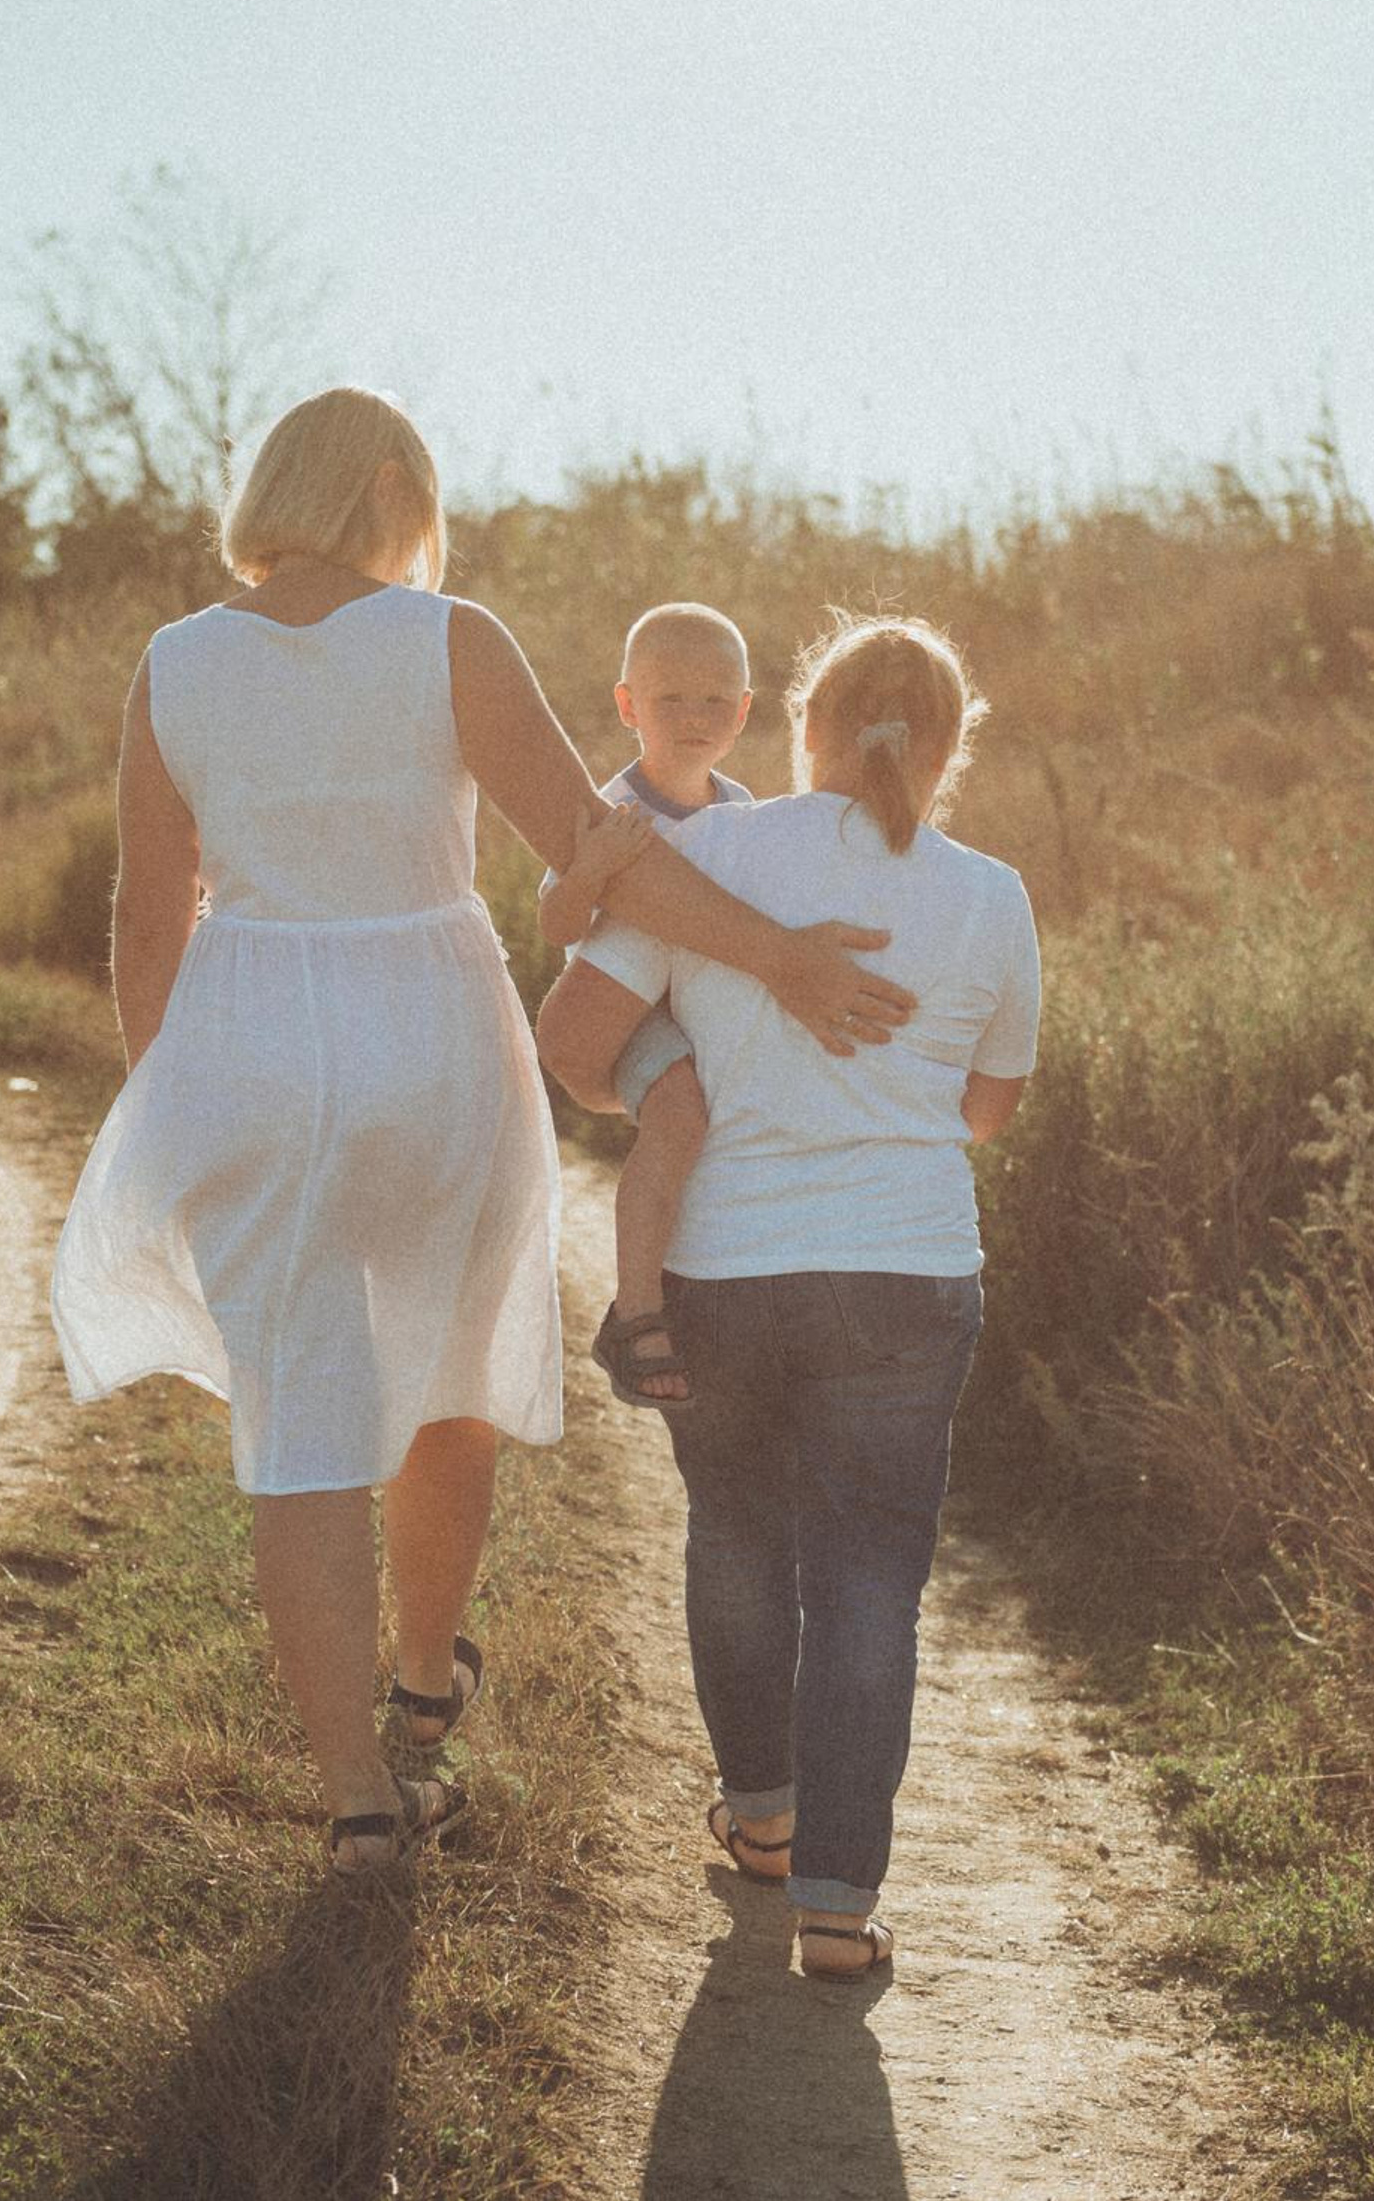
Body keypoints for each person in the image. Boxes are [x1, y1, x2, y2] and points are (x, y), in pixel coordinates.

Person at [48, 387, 916, 1873]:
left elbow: (145, 913)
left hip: (252, 1031)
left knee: (297, 1418)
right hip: (433, 1032)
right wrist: (781, 958)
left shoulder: (174, 663)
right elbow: (600, 853)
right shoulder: (446, 638)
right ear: (390, 487)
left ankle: (355, 1802)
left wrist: (168, 1103)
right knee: (447, 1380)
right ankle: (427, 1691)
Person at [536, 612, 1039, 1974]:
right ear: (948, 750)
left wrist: (695, 1078)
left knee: (740, 1536)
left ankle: (760, 1822)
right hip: (905, 1274)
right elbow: (986, 1111)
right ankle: (836, 1907)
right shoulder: (990, 896)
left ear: (796, 725)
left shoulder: (703, 855)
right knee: (871, 1579)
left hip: (725, 1265)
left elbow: (574, 1044)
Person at [536, 603, 756, 1407]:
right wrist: (591, 869)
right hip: (630, 1014)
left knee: (736, 1117)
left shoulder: (742, 811)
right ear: (628, 706)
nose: (695, 719)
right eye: (671, 700)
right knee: (679, 1114)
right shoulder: (612, 808)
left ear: (744, 710)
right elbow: (554, 926)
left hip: (702, 1001)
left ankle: (724, 1277)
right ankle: (634, 1313)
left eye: (715, 701)